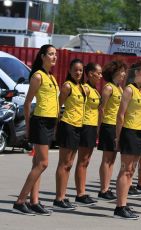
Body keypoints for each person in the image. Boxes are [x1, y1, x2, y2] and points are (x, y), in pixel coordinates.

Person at [13, 44, 59, 216]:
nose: (54, 57)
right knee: (43, 163)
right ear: (42, 56)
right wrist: (28, 126)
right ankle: (20, 201)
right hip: (39, 121)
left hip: (49, 123)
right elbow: (27, 103)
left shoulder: (52, 78)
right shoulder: (38, 76)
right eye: (51, 54)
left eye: (56, 54)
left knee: (37, 163)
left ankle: (34, 201)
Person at [113, 61, 141, 220]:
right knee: (125, 169)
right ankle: (120, 206)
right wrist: (118, 137)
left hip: (140, 131)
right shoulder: (129, 89)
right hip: (129, 131)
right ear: (136, 73)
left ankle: (124, 203)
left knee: (131, 171)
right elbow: (121, 115)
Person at [54, 59, 86, 210]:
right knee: (64, 163)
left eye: (80, 70)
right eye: (75, 70)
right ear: (70, 70)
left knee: (70, 164)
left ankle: (63, 196)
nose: (78, 73)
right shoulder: (67, 86)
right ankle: (59, 198)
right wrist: (57, 125)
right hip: (68, 125)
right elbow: (58, 106)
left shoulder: (81, 87)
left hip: (78, 127)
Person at [97, 60, 127, 201]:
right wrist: (100, 127)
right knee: (107, 158)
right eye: (122, 71)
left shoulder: (120, 88)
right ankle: (104, 189)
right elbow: (102, 108)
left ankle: (107, 187)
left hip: (116, 125)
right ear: (114, 72)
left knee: (112, 159)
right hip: (108, 125)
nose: (124, 74)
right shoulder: (108, 88)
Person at [74, 63, 102, 205]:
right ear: (90, 74)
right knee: (82, 160)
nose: (100, 76)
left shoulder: (95, 90)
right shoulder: (85, 88)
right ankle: (80, 193)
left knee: (86, 161)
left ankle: (82, 191)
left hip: (91, 127)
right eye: (98, 73)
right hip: (84, 125)